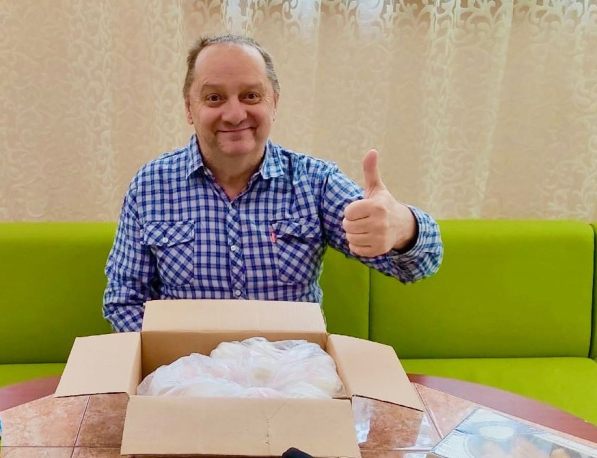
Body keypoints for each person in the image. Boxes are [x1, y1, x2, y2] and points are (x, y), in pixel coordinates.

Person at [103, 34, 443, 332]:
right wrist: (177, 357)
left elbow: (420, 266)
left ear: (274, 103)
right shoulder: (151, 186)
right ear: (189, 109)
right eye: (214, 98)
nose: (234, 114)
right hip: (186, 371)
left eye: (251, 96)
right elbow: (124, 300)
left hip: (292, 370)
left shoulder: (315, 182)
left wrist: (403, 227)